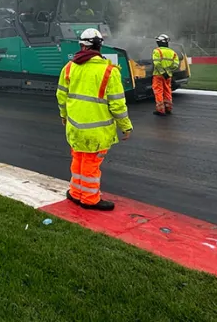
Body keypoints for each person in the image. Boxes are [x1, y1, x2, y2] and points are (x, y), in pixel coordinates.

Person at [56, 28, 133, 211]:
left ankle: (76, 193)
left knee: (78, 159)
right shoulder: (109, 71)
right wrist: (126, 126)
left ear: (81, 45)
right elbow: (117, 105)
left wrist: (63, 116)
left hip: (74, 128)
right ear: (100, 46)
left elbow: (61, 96)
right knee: (91, 164)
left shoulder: (68, 68)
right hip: (96, 132)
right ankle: (89, 199)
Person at [151, 34, 180, 116]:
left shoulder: (157, 51)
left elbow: (157, 63)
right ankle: (168, 108)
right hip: (168, 76)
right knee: (167, 91)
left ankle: (160, 110)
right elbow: (175, 65)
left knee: (158, 91)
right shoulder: (173, 53)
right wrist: (167, 72)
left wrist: (162, 72)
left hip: (158, 75)